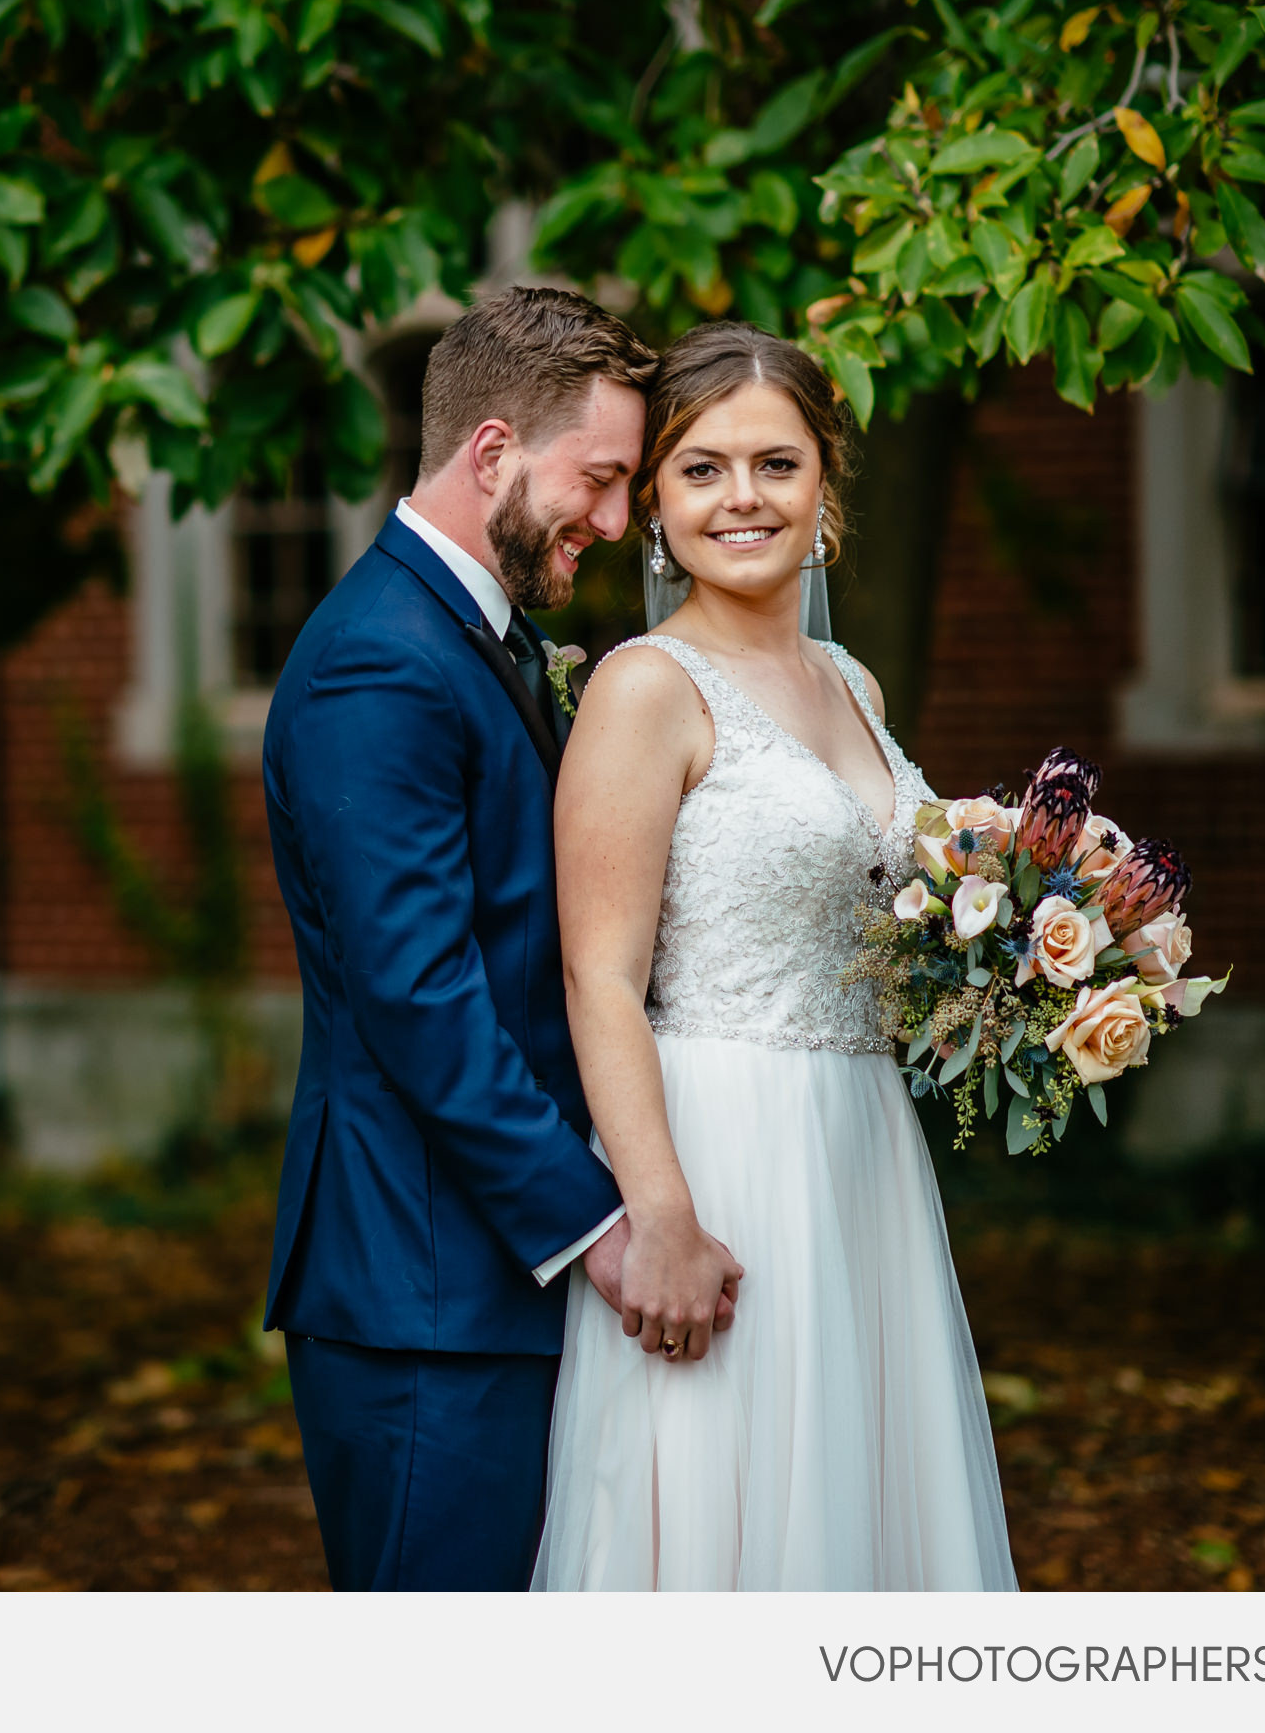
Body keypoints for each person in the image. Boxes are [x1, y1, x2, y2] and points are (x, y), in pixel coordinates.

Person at [260, 287, 736, 1590]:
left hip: (478, 1289)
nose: (614, 518)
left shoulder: (482, 639)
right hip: (422, 1298)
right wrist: (604, 1228)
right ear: (490, 454)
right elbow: (423, 1000)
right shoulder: (380, 663)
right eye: (597, 478)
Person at [529, 319, 1016, 1590]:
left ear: (825, 487)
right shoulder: (646, 688)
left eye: (776, 464)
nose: (742, 498)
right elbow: (599, 979)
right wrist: (662, 1218)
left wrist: (1026, 982)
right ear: (654, 505)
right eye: (701, 469)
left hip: (860, 1154)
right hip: (721, 1150)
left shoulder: (850, 681)